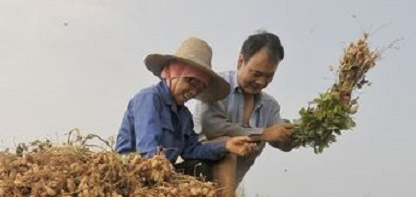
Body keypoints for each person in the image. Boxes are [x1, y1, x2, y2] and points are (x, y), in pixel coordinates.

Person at [115, 37, 257, 182]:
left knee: (200, 168)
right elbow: (149, 152)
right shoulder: (149, 99)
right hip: (133, 173)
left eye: (200, 87)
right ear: (173, 74)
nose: (193, 91)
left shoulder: (184, 116)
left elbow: (191, 150)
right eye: (191, 81)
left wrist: (226, 146)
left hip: (163, 173)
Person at [194, 31, 296, 188]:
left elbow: (280, 138)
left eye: (269, 76)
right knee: (226, 145)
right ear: (241, 61)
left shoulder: (270, 106)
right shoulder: (216, 86)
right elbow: (212, 127)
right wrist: (263, 134)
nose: (261, 81)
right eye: (256, 74)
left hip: (228, 187)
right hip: (195, 175)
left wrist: (298, 132)